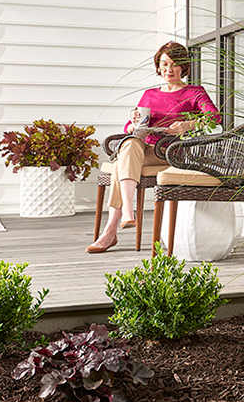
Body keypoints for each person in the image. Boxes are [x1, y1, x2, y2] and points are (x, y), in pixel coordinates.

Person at [86, 41, 221, 254]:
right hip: (147, 151)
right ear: (158, 66)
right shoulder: (150, 94)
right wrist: (134, 123)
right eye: (165, 64)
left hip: (173, 153)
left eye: (175, 64)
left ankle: (111, 230)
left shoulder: (194, 92)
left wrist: (187, 125)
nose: (169, 69)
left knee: (123, 161)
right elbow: (131, 128)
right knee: (129, 144)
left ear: (183, 67)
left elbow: (214, 117)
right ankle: (128, 213)